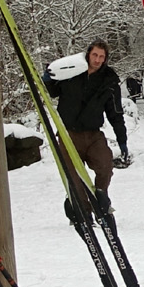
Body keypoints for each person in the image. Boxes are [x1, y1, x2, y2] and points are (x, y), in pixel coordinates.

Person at [46, 39, 129, 214]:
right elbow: (53, 91)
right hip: (68, 134)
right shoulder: (71, 72)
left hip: (93, 135)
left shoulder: (109, 80)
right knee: (74, 176)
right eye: (94, 55)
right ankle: (82, 211)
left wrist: (122, 140)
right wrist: (47, 78)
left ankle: (100, 199)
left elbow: (115, 112)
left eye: (101, 56)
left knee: (105, 165)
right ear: (88, 54)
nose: (97, 60)